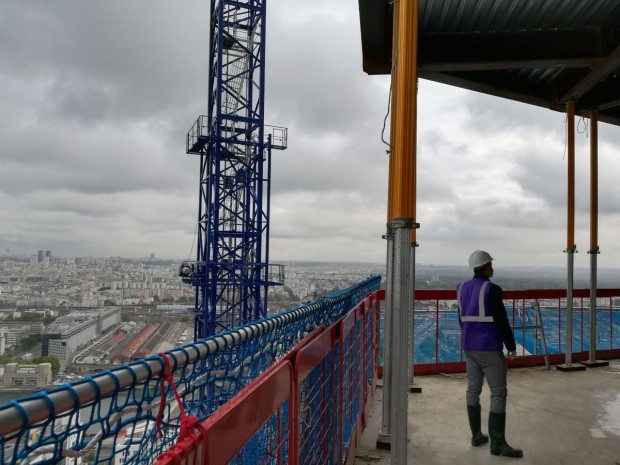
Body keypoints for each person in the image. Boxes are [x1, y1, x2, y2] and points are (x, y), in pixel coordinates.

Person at [456, 250, 523, 458]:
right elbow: (501, 321)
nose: (492, 268)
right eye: (490, 265)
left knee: (473, 389)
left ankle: (476, 435)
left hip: (469, 346)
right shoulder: (491, 290)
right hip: (489, 348)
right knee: (498, 392)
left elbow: (462, 319)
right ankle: (498, 443)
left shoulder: (461, 289)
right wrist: (511, 345)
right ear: (485, 267)